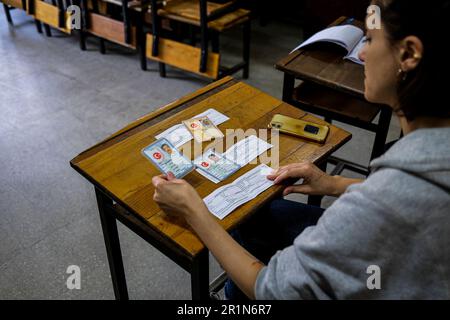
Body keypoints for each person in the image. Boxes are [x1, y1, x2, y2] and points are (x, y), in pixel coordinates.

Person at [152, 0, 450, 299]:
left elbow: (270, 290)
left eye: (370, 40)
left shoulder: (380, 204)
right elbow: (409, 198)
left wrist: (194, 211)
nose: (360, 53)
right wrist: (334, 183)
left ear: (409, 53)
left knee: (242, 258)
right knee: (259, 218)